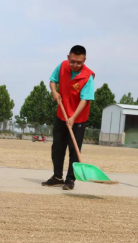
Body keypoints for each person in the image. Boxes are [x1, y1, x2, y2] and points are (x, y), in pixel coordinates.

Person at [42, 45, 95, 191]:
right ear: (68, 58)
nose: (75, 65)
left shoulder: (87, 76)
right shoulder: (62, 66)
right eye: (72, 61)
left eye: (79, 62)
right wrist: (54, 92)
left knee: (74, 149)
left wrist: (73, 118)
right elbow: (52, 80)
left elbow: (85, 100)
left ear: (84, 60)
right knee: (57, 147)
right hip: (62, 114)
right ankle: (57, 177)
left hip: (78, 118)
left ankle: (70, 179)